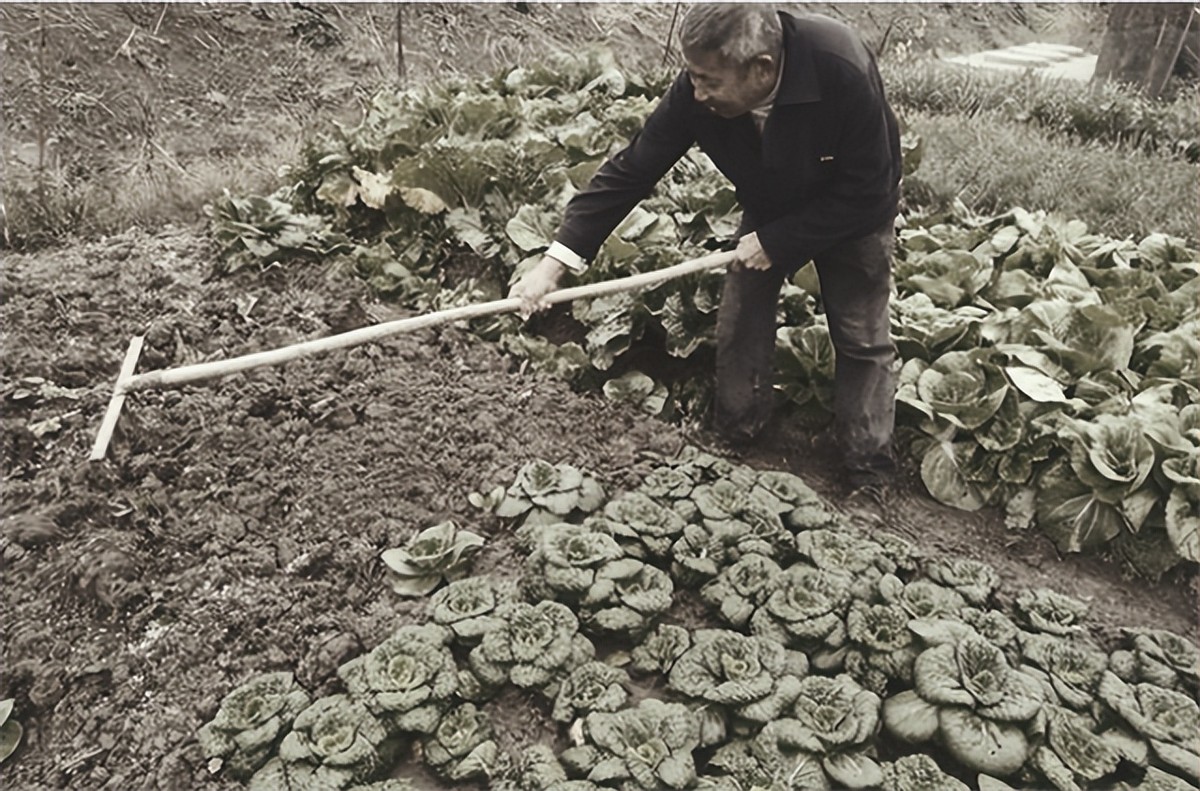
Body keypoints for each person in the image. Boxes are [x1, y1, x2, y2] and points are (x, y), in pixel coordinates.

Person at [509, 4, 902, 494]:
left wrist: (778, 241)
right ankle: (738, 432)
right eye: (692, 77)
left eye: (709, 81)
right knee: (740, 316)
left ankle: (868, 471)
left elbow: (868, 188)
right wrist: (554, 264)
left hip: (853, 209)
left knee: (861, 335)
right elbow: (634, 168)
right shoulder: (700, 91)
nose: (697, 92)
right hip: (771, 199)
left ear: (761, 69)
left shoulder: (839, 64)